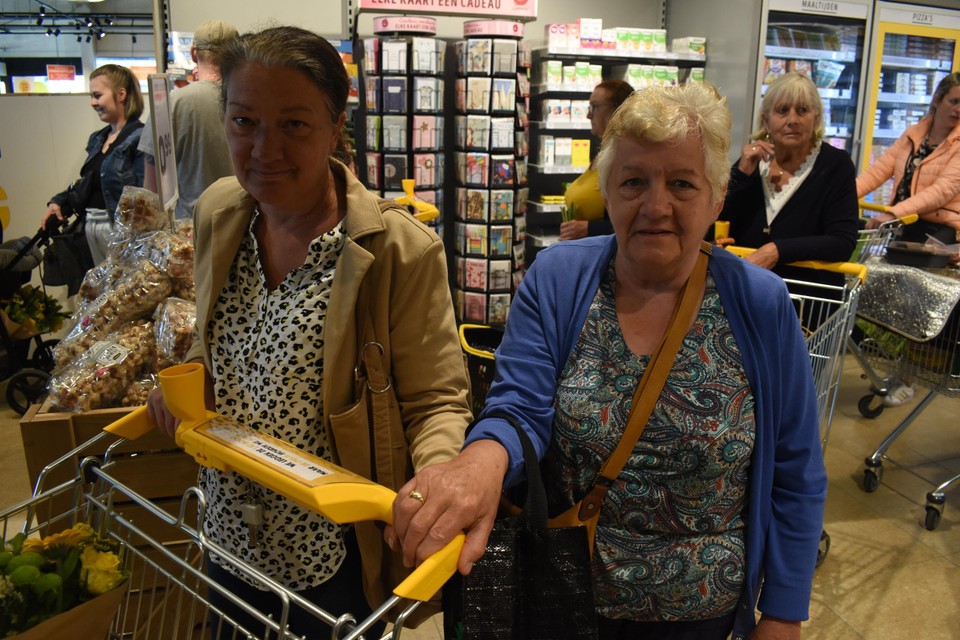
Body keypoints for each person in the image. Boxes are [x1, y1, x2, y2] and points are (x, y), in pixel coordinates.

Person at [391, 83, 826, 640]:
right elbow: (518, 406)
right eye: (634, 181)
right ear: (608, 192)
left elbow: (796, 471)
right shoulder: (559, 279)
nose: (656, 205)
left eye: (682, 184)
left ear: (716, 198)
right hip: (561, 595)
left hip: (702, 615)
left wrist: (784, 612)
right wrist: (479, 460)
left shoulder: (759, 304)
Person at [145, 26, 472, 638]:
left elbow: (437, 401)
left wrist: (435, 485)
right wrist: (189, 381)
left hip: (331, 558)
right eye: (244, 122)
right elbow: (211, 337)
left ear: (334, 126)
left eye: (293, 124)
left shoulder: (397, 251)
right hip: (227, 533)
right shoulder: (219, 210)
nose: (264, 149)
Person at [855, 71, 960, 406]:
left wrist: (893, 213)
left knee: (920, 308)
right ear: (938, 100)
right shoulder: (915, 134)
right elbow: (878, 170)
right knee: (898, 305)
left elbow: (943, 191)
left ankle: (909, 378)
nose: (958, 109)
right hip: (907, 228)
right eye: (954, 101)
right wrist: (835, 197)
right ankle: (900, 371)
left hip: (939, 235)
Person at [717, 72, 859, 285]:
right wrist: (741, 176)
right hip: (748, 289)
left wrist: (777, 250)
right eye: (782, 111)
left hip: (808, 299)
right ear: (766, 120)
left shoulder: (835, 165)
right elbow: (715, 224)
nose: (793, 120)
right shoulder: (751, 163)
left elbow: (842, 242)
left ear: (816, 118)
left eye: (802, 111)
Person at [42, 64, 145, 264]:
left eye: (97, 95)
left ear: (121, 94)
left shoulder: (140, 137)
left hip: (121, 233)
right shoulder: (98, 139)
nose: (92, 102)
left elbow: (144, 196)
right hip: (91, 230)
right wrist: (59, 201)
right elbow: (89, 181)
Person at [139, 20, 239, 220]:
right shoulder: (249, 102)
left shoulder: (170, 104)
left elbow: (152, 191)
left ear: (194, 53)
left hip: (189, 235)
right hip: (243, 230)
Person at [558, 79, 634, 240]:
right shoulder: (603, 152)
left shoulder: (625, 157)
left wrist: (590, 228)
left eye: (595, 107)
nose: (588, 115)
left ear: (618, 110)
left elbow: (632, 218)